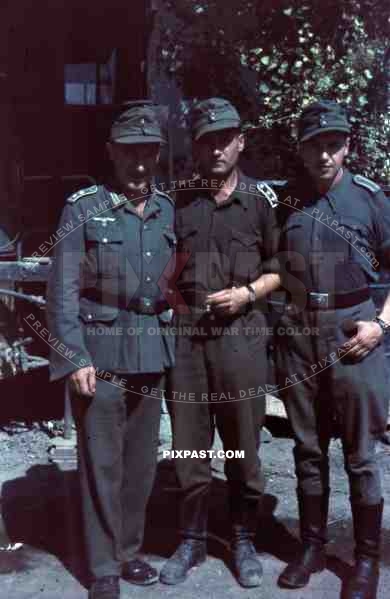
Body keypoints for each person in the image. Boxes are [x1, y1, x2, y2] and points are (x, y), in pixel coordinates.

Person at [47, 104, 176, 599]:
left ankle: (127, 551)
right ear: (111, 154)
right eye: (129, 154)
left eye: (147, 153)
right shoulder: (82, 207)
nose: (139, 165)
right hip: (99, 351)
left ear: (158, 154)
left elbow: (176, 281)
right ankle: (102, 566)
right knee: (101, 460)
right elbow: (61, 291)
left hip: (150, 346)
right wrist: (74, 356)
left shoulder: (167, 210)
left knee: (141, 463)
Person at [159, 97, 280, 588]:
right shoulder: (178, 203)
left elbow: (281, 270)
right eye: (207, 139)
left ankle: (243, 538)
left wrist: (249, 293)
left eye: (224, 138)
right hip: (187, 343)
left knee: (243, 450)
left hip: (241, 340)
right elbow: (162, 269)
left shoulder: (260, 202)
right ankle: (191, 538)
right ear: (196, 145)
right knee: (190, 449)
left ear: (241, 141)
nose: (216, 148)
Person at [275, 100, 390, 599]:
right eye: (315, 145)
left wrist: (381, 326)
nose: (325, 155)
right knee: (307, 449)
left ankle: (366, 562)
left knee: (361, 455)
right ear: (300, 151)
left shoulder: (370, 199)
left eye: (333, 145)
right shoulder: (285, 202)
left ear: (347, 147)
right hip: (300, 335)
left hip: (354, 334)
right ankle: (312, 546)